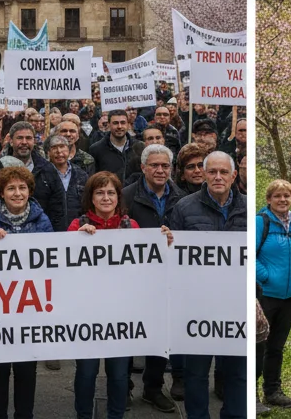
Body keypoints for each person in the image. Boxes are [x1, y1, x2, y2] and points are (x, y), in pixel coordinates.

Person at [69, 171, 173, 419]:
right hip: (87, 313)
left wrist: (164, 243)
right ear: (91, 198)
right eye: (100, 193)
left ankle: (115, 415)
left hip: (121, 314)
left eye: (111, 193)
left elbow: (148, 264)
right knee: (86, 372)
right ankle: (83, 415)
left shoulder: (132, 226)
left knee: (118, 374)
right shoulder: (77, 226)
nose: (106, 198)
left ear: (118, 197)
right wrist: (74, 240)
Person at [170, 151, 248, 419]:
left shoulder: (249, 209)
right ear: (203, 174)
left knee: (238, 372)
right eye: (212, 172)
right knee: (196, 374)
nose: (218, 177)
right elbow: (173, 259)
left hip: (237, 306)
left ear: (233, 175)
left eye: (223, 172)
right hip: (198, 306)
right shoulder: (183, 207)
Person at [0, 167, 55, 419]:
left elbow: (54, 259)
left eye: (22, 188)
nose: (17, 193)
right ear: (1, 193)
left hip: (29, 308)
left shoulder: (42, 220)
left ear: (30, 191)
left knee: (26, 370)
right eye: (11, 188)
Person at [122, 144, 182, 411]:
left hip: (167, 279)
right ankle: (123, 386)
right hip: (133, 279)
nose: (160, 170)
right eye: (155, 165)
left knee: (160, 335)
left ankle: (153, 387)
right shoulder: (126, 197)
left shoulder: (182, 198)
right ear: (143, 168)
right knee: (127, 333)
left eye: (165, 166)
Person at [255, 179, 291, 413]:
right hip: (266, 294)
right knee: (258, 346)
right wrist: (264, 276)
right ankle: (252, 395)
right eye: (277, 196)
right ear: (269, 199)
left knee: (277, 346)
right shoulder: (261, 222)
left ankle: (273, 390)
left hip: (289, 296)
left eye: (287, 196)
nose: (283, 200)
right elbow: (251, 255)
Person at [1, 120, 66, 232]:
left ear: (34, 141)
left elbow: (58, 207)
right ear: (11, 141)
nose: (24, 142)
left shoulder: (47, 169)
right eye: (20, 138)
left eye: (29, 138)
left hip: (40, 234)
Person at [45, 134, 89, 230]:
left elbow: (87, 205)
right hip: (50, 231)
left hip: (78, 230)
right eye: (54, 148)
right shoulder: (42, 175)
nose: (59, 152)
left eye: (62, 147)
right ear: (48, 152)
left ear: (69, 151)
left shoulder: (81, 175)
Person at [89, 109, 133, 178]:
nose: (119, 126)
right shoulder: (96, 149)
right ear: (109, 124)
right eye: (115, 123)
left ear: (128, 124)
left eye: (123, 122)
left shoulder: (139, 147)